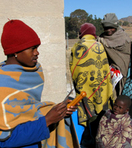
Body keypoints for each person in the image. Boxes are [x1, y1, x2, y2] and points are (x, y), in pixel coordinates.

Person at [0, 19, 79, 148]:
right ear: (15, 51)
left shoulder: (33, 73)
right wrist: (47, 121)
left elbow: (29, 110)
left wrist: (59, 111)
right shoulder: (2, 85)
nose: (37, 52)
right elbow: (4, 140)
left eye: (37, 48)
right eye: (32, 49)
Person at [69, 23, 114, 147]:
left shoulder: (77, 46)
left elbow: (73, 69)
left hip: (84, 91)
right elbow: (105, 69)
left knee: (87, 125)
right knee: (100, 123)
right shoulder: (99, 46)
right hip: (101, 90)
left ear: (83, 32)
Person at [98, 13, 131, 98]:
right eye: (106, 28)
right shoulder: (102, 37)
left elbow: (126, 55)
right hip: (108, 73)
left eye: (111, 27)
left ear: (115, 26)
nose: (108, 30)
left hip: (123, 71)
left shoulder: (123, 38)